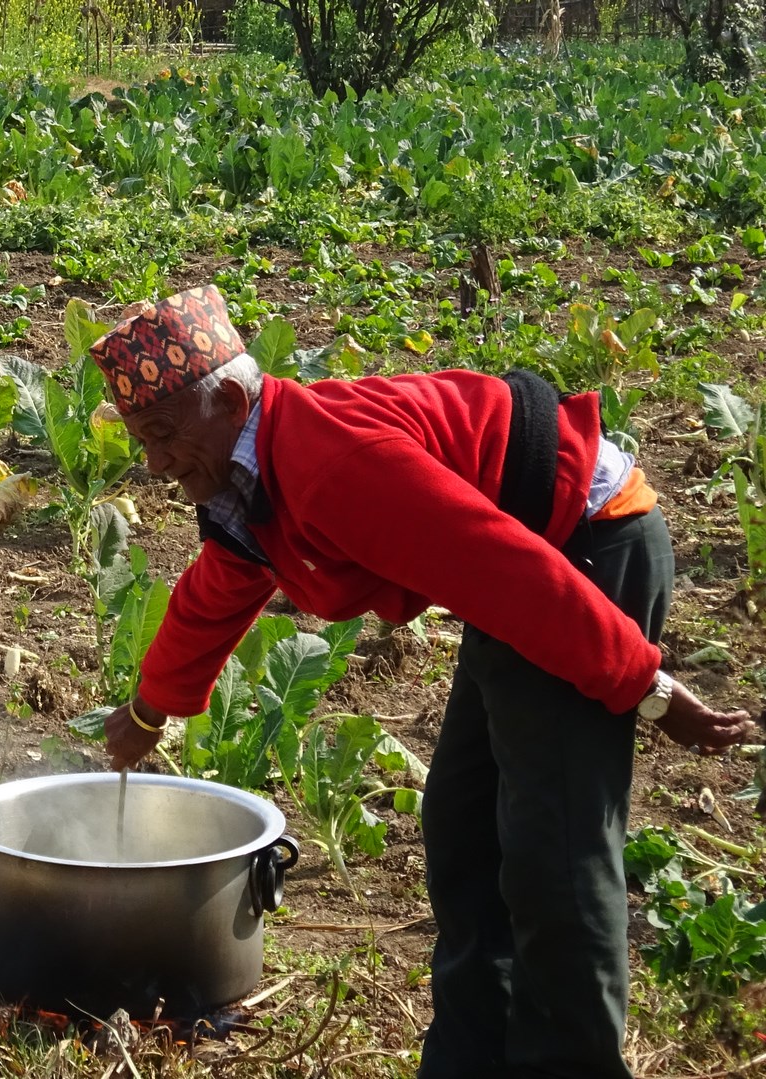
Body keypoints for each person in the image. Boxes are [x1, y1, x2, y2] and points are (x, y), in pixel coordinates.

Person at [91, 285, 756, 1079]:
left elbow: (505, 573)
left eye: (164, 435)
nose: (157, 462)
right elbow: (219, 589)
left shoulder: (330, 463)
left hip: (583, 547)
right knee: (462, 824)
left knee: (556, 847)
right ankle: (469, 1059)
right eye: (143, 441)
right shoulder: (252, 474)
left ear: (230, 398)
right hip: (524, 569)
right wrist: (148, 709)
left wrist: (646, 686)